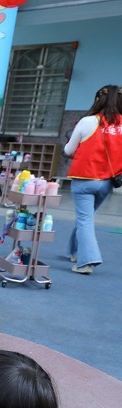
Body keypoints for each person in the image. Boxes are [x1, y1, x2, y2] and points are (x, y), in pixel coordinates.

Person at [64, 84, 121, 275]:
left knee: (84, 219)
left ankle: (87, 261)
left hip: (84, 179)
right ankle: (73, 251)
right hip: (107, 182)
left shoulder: (87, 121)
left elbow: (68, 150)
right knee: (85, 218)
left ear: (99, 100)